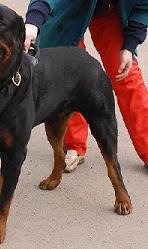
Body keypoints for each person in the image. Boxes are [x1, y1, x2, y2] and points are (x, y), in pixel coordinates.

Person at [24, 0, 148, 172]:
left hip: (109, 11)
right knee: (67, 77)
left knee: (128, 77)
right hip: (69, 9)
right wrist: (32, 23)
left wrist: (129, 45)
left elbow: (143, 6)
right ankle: (74, 145)